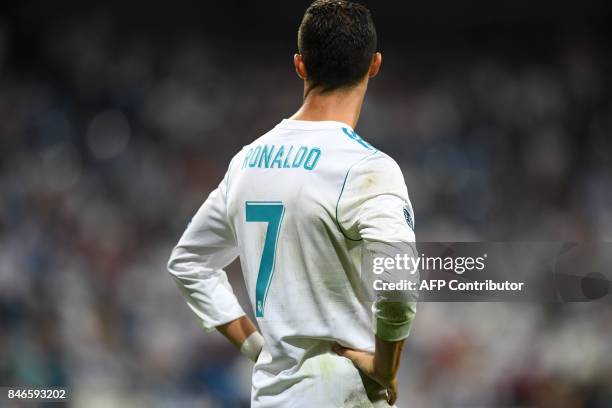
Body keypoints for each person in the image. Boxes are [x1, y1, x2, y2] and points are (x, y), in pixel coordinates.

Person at [167, 1, 416, 406]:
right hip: (341, 392)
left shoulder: (246, 162)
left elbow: (188, 263)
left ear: (300, 65)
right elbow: (399, 284)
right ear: (374, 65)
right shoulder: (367, 168)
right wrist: (385, 367)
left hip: (270, 395)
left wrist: (256, 347)